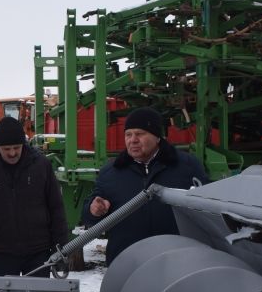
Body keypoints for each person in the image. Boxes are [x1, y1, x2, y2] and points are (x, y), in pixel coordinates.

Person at [80, 107, 208, 264]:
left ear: (157, 137)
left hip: (177, 261)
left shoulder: (187, 166)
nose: (132, 140)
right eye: (128, 134)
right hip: (127, 262)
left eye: (140, 134)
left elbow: (208, 208)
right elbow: (89, 218)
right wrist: (94, 210)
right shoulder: (111, 171)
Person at [0, 116, 68, 292]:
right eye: (7, 149)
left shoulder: (41, 166)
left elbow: (56, 209)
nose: (12, 153)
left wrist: (61, 249)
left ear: (23, 144)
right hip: (3, 254)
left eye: (16, 148)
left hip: (39, 254)